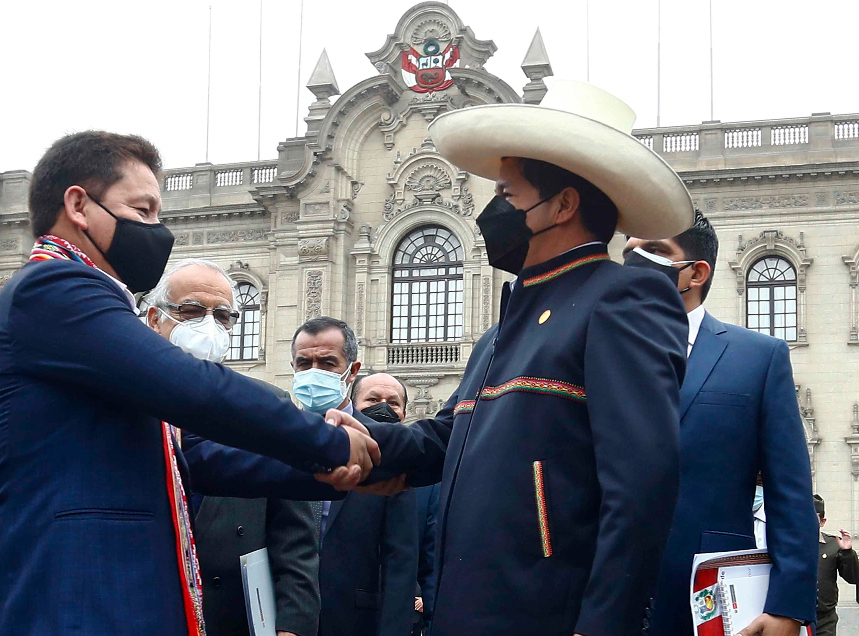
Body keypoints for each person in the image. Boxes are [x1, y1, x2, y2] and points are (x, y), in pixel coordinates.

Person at [0, 131, 377, 636]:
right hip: (66, 596)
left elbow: (188, 451)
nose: (158, 229)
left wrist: (328, 470)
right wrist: (326, 440)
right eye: (144, 209)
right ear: (79, 205)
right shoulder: (55, 286)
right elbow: (193, 388)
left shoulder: (88, 297)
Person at [353, 80, 693, 635]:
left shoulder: (622, 298)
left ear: (562, 204)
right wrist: (360, 439)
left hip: (547, 616)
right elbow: (446, 440)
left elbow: (642, 484)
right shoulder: (500, 332)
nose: (494, 212)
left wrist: (604, 626)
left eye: (507, 196)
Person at [623, 209, 818, 635]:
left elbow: (791, 491)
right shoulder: (595, 349)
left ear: (696, 273)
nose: (636, 260)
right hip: (598, 603)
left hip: (708, 602)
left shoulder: (758, 359)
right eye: (631, 249)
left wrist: (788, 606)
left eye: (655, 250)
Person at [144, 258, 321, 636]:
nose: (209, 325)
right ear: (154, 320)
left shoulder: (268, 405)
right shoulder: (125, 404)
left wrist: (293, 625)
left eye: (223, 316)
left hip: (235, 617)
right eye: (191, 311)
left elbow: (296, 538)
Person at [292, 319, 417, 636]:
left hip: (355, 620)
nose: (314, 372)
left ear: (352, 369)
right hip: (282, 620)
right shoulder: (278, 436)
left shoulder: (385, 444)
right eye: (304, 363)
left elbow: (399, 559)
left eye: (327, 363)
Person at [351, 373, 438, 636]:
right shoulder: (337, 466)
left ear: (403, 412)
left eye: (393, 402)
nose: (383, 407)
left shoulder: (428, 481)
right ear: (353, 405)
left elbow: (430, 560)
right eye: (373, 400)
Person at [814, 495, 859, 636]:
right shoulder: (789, 545)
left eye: (812, 516)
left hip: (824, 619)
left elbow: (854, 578)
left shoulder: (833, 545)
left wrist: (847, 552)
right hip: (794, 617)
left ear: (822, 521)